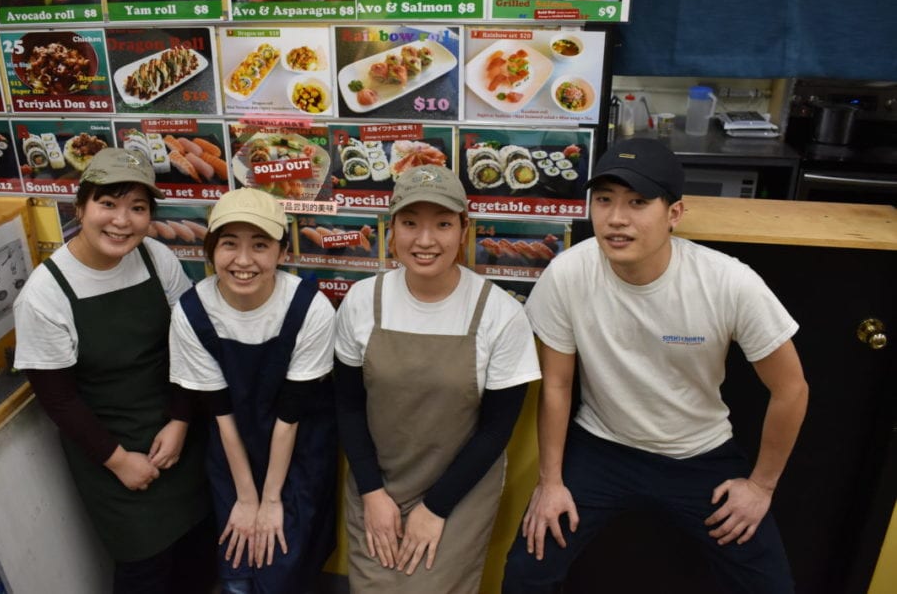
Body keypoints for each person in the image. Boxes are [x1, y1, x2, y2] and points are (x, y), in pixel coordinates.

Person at [502, 139, 809, 593]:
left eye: (638, 202)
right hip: (602, 447)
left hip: (698, 453)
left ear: (674, 214)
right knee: (529, 568)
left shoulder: (728, 282)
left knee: (771, 586)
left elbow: (791, 389)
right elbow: (558, 386)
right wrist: (551, 481)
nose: (616, 218)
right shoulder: (568, 273)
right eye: (604, 200)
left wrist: (761, 486)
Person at [13, 147, 215, 594]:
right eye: (108, 203)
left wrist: (182, 420)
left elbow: (188, 343)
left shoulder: (154, 258)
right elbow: (59, 400)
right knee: (145, 568)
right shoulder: (46, 295)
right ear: (80, 207)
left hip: (178, 438)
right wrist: (120, 461)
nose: (122, 221)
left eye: (137, 208)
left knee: (199, 558)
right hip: (111, 455)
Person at [334, 164, 541, 592]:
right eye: (410, 223)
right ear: (391, 229)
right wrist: (372, 492)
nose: (425, 241)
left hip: (459, 492)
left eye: (443, 224)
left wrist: (436, 508)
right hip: (379, 483)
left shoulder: (500, 313)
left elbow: (496, 430)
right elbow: (349, 406)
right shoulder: (362, 301)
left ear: (464, 229)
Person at [168, 188, 338, 594]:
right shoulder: (192, 311)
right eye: (229, 244)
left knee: (283, 559)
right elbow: (220, 411)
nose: (243, 261)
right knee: (238, 558)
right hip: (232, 447)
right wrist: (247, 498)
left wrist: (272, 500)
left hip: (297, 449)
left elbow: (290, 414)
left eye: (260, 245)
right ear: (210, 252)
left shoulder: (310, 309)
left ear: (281, 253)